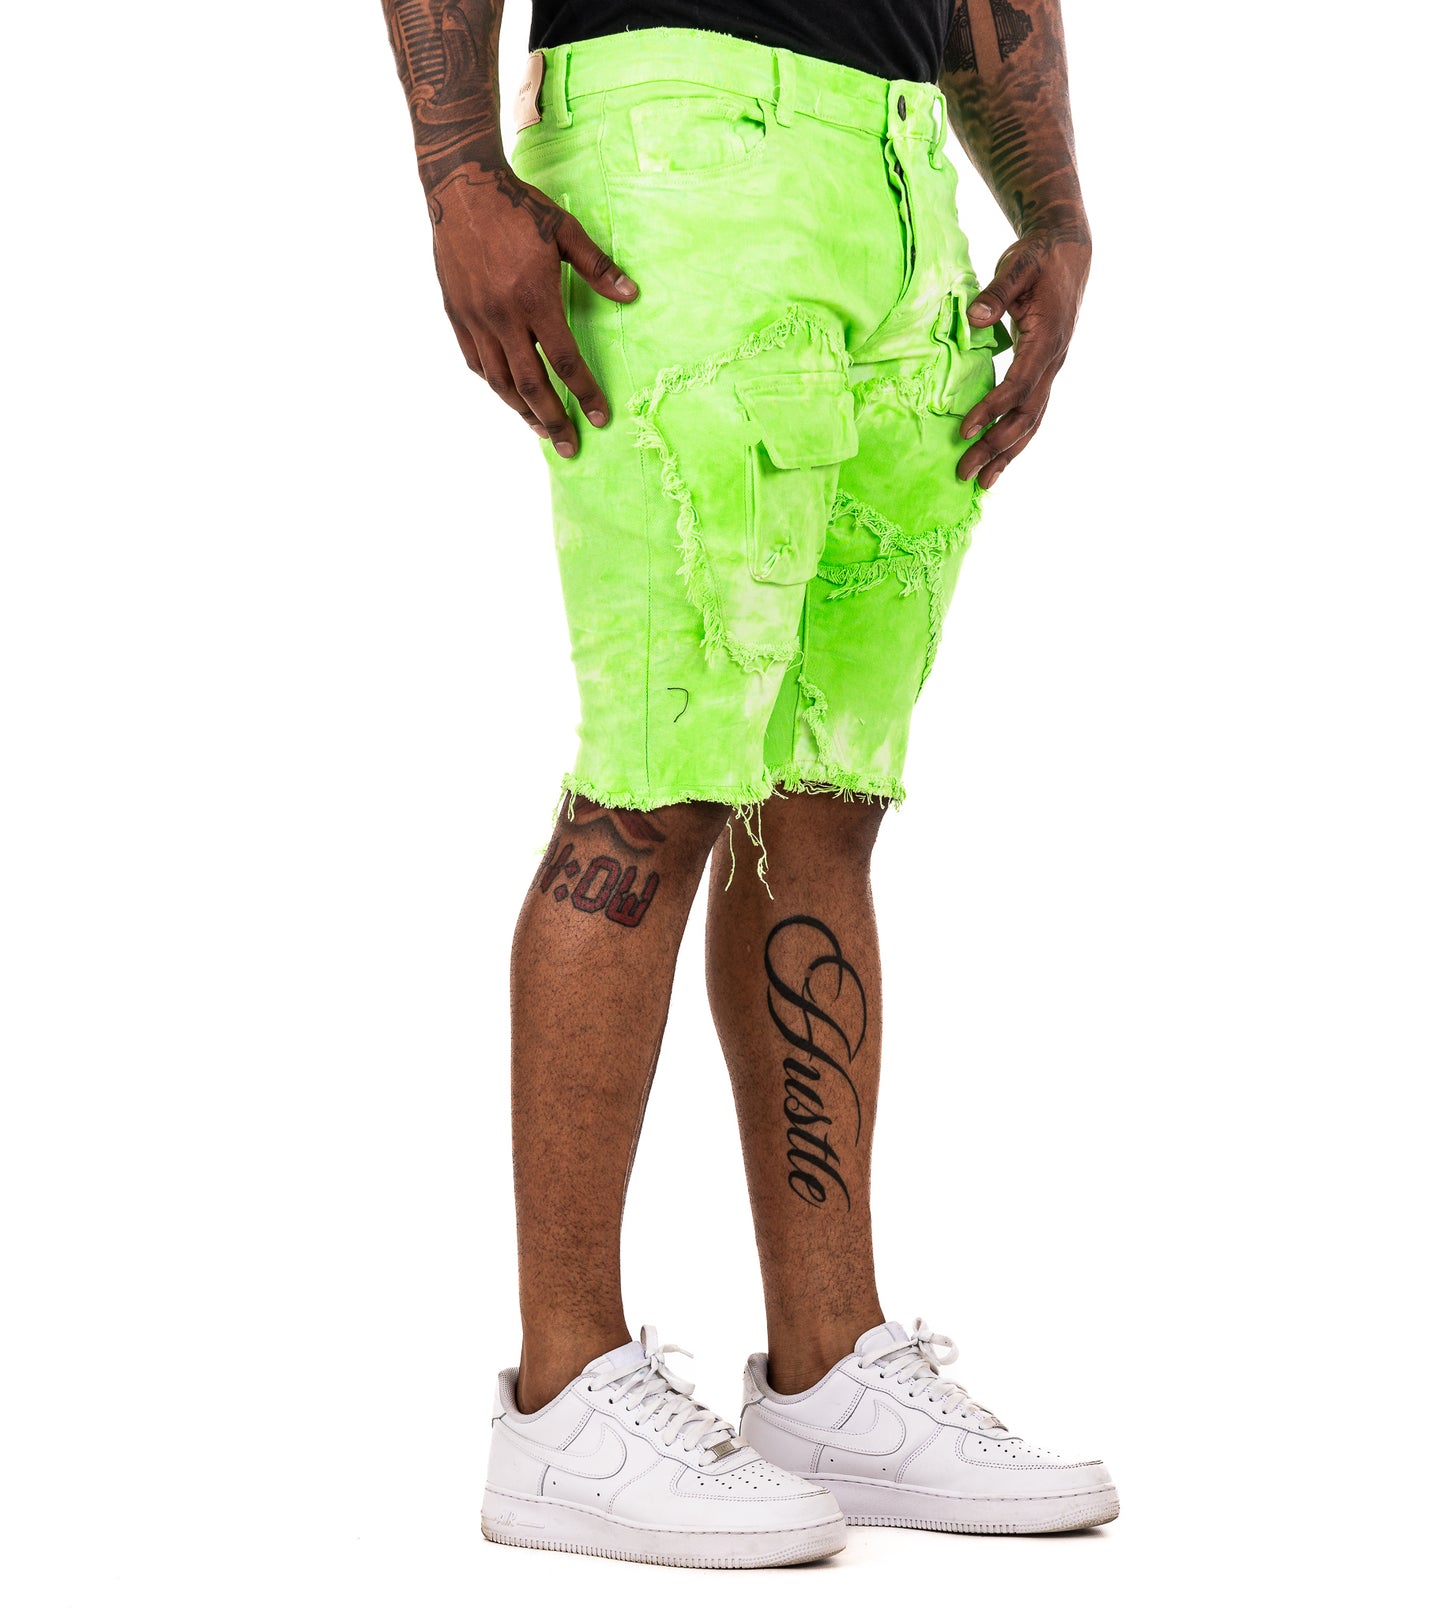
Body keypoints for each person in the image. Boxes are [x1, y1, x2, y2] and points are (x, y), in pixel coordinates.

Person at [382, 0, 1113, 1566]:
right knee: (655, 781)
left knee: (821, 798)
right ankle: (563, 1392)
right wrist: (457, 170)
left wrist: (1053, 215)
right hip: (677, 140)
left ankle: (825, 1362)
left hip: (902, 169)